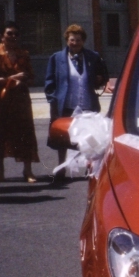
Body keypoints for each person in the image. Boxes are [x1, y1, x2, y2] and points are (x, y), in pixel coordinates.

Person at [44, 25, 109, 177]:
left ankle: (90, 165)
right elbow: (50, 82)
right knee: (63, 136)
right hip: (66, 103)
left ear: (83, 41)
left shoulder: (93, 56)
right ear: (67, 40)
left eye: (79, 40)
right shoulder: (57, 58)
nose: (75, 43)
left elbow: (103, 75)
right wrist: (53, 101)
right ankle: (61, 167)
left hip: (87, 102)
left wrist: (99, 80)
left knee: (90, 137)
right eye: (72, 40)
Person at [0, 21, 39, 182]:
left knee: (25, 133)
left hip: (20, 101)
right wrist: (9, 79)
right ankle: (0, 168)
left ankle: (28, 170)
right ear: (1, 36)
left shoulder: (23, 54)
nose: (12, 37)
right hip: (0, 100)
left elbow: (31, 77)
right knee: (0, 133)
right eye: (9, 33)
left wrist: (23, 81)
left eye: (16, 34)